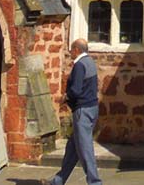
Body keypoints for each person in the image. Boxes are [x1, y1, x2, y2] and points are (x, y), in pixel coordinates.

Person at [44, 39, 103, 185]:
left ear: (77, 49)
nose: (70, 51)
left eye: (71, 49)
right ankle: (58, 181)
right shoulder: (90, 62)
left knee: (85, 149)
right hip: (91, 108)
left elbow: (75, 90)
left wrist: (65, 97)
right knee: (72, 149)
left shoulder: (79, 65)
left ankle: (95, 182)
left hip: (82, 111)